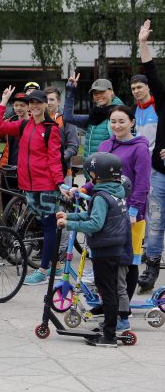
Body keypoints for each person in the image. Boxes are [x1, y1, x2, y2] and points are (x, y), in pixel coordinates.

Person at [74, 105, 149, 326]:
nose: (116, 126)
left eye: (121, 121)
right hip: (105, 211)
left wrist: (134, 211)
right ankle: (109, 305)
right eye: (113, 121)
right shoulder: (106, 145)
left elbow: (143, 182)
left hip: (129, 214)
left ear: (132, 123)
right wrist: (84, 188)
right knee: (106, 264)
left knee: (128, 263)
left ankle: (122, 312)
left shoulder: (140, 148)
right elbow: (98, 176)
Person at [0, 89, 64, 285]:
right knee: (42, 225)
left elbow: (55, 160)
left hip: (47, 186)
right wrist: (3, 100)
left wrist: (60, 183)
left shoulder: (51, 129)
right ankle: (53, 262)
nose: (34, 106)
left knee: (48, 227)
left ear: (45, 105)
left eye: (38, 102)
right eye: (31, 103)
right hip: (28, 186)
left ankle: (43, 270)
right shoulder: (24, 125)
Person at [56, 153, 130, 347]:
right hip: (114, 248)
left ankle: (109, 335)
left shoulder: (100, 197)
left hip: (105, 250)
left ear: (96, 175)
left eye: (90, 174)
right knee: (109, 289)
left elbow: (95, 223)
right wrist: (70, 217)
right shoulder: (115, 192)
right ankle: (108, 325)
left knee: (107, 291)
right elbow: (90, 216)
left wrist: (69, 225)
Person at [138, 19, 165, 290]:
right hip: (159, 173)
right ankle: (152, 266)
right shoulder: (162, 100)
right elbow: (152, 72)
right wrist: (143, 44)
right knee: (155, 222)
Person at [0, 91, 29, 206]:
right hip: (8, 169)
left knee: (27, 205)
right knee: (7, 204)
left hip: (26, 170)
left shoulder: (33, 123)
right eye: (16, 105)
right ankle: (7, 224)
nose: (19, 108)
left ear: (29, 107)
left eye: (22, 105)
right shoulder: (9, 121)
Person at [63, 73, 124, 158]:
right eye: (95, 93)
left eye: (102, 92)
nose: (98, 96)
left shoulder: (121, 115)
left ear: (111, 91)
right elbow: (68, 117)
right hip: (90, 167)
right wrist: (70, 91)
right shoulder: (95, 114)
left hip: (109, 169)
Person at [45, 86, 81, 183]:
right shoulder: (38, 119)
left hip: (63, 171)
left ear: (59, 101)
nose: (48, 102)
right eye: (46, 99)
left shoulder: (66, 119)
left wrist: (59, 158)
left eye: (52, 99)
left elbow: (73, 146)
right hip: (41, 171)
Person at [131, 73, 157, 152]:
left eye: (139, 87)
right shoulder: (132, 110)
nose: (136, 91)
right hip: (138, 158)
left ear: (148, 87)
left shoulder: (159, 107)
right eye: (133, 89)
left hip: (158, 159)